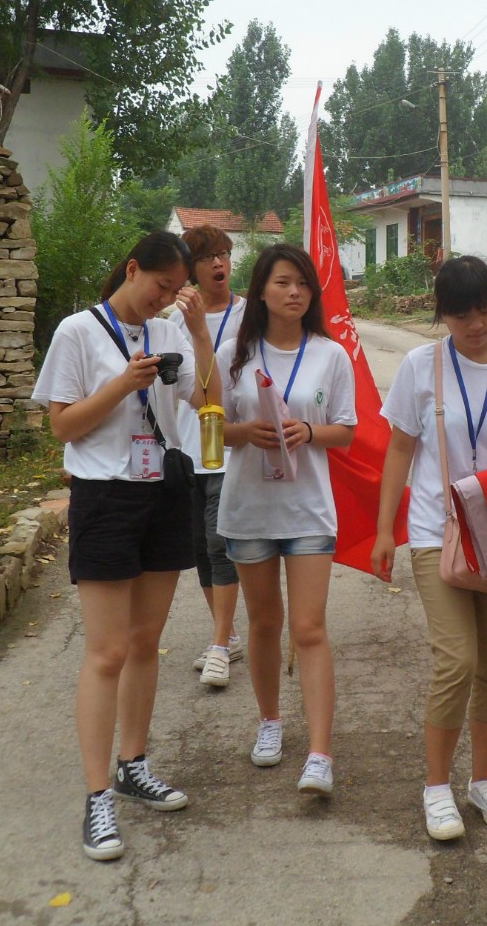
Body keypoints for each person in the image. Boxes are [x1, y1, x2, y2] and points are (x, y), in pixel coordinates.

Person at [31, 231, 222, 862]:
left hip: (165, 492)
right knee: (107, 651)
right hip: (105, 496)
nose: (165, 299)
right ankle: (96, 797)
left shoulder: (171, 333)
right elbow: (62, 424)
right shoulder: (78, 332)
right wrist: (122, 383)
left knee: (145, 642)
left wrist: (196, 335)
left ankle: (132, 764)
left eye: (176, 292)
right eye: (160, 287)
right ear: (132, 269)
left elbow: (207, 404)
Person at [371, 256, 487, 842]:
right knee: (457, 660)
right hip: (438, 532)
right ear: (442, 314)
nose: (476, 323)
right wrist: (385, 530)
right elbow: (400, 449)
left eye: (485, 309)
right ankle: (436, 786)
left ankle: (482, 780)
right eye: (460, 314)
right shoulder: (419, 366)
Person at [217, 243, 357, 797]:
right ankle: (270, 722)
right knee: (264, 624)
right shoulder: (234, 353)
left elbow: (346, 429)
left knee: (309, 628)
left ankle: (320, 753)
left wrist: (309, 432)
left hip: (308, 510)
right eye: (281, 282)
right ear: (261, 291)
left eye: (302, 283)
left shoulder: (331, 354)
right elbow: (210, 426)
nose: (294, 292)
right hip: (249, 508)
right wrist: (241, 432)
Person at [170, 225, 246, 689]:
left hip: (231, 447)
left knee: (221, 543)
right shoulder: (172, 320)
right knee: (199, 545)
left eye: (224, 254)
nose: (219, 264)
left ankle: (219, 642)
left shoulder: (249, 316)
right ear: (191, 271)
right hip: (187, 448)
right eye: (209, 257)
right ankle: (230, 632)